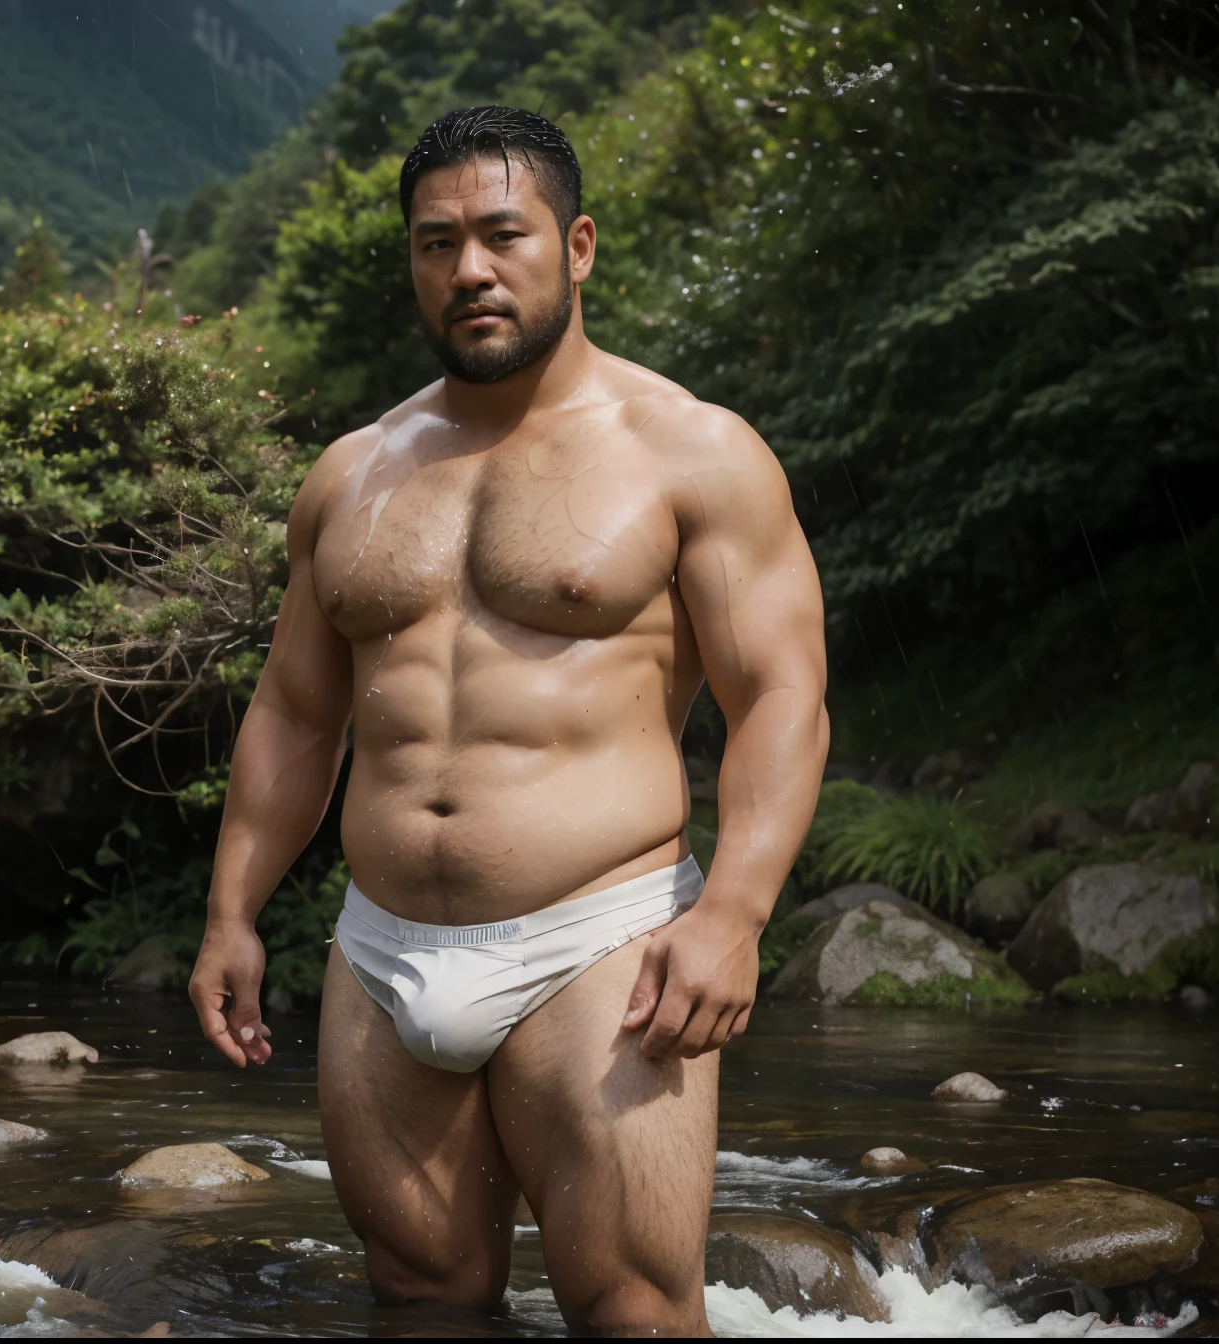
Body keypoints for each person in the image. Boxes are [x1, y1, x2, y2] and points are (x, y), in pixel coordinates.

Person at [187, 105, 829, 1335]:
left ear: (575, 246)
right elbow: (295, 711)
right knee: (421, 1295)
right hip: (378, 954)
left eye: (500, 235)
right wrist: (230, 912)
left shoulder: (692, 455)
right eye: (436, 244)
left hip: (601, 944)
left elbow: (782, 700)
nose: (468, 269)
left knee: (634, 1308)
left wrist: (735, 916)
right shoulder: (353, 473)